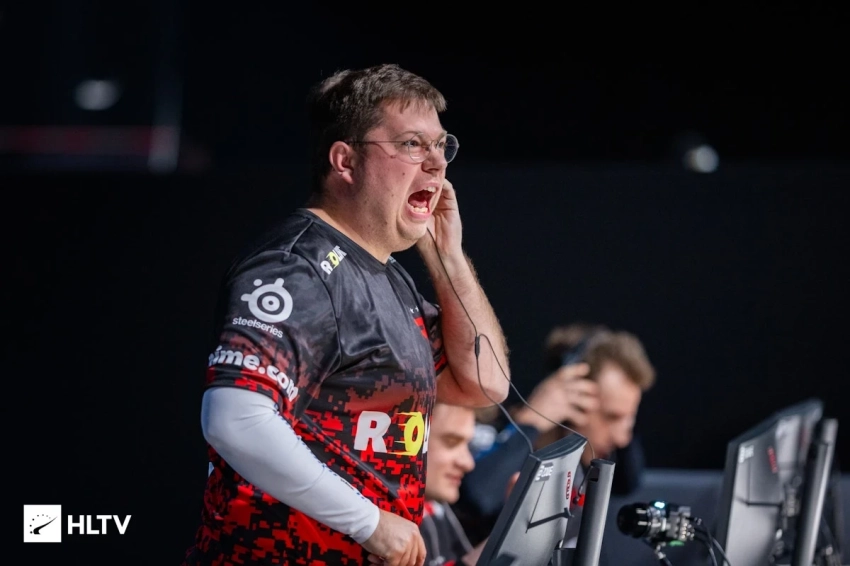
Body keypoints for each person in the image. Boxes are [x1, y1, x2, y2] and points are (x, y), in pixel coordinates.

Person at [181, 63, 511, 566]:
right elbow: (234, 418)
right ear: (345, 161)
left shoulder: (388, 277)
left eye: (441, 146)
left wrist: (449, 258)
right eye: (411, 145)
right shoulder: (298, 265)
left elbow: (486, 385)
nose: (436, 165)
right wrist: (369, 523)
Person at [453, 322, 656, 547]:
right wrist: (533, 419)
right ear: (573, 396)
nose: (623, 439)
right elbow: (477, 498)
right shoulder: (504, 440)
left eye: (630, 419)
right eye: (612, 417)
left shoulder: (588, 456)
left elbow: (628, 482)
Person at [418, 402, 481, 566]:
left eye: (468, 445)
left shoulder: (435, 504)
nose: (468, 463)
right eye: (451, 442)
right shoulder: (371, 525)